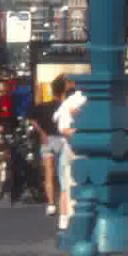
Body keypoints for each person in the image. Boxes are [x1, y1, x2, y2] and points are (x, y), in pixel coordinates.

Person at [30, 76, 68, 217]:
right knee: (63, 173)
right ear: (63, 92)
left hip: (48, 141)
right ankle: (64, 201)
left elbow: (32, 119)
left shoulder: (43, 106)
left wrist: (42, 133)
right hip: (63, 140)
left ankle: (51, 204)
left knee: (49, 173)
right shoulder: (65, 106)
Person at [53, 81, 87, 231]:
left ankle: (65, 218)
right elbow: (66, 128)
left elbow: (61, 125)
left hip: (68, 147)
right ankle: (71, 217)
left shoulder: (68, 102)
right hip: (76, 149)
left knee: (66, 184)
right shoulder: (81, 100)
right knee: (74, 183)